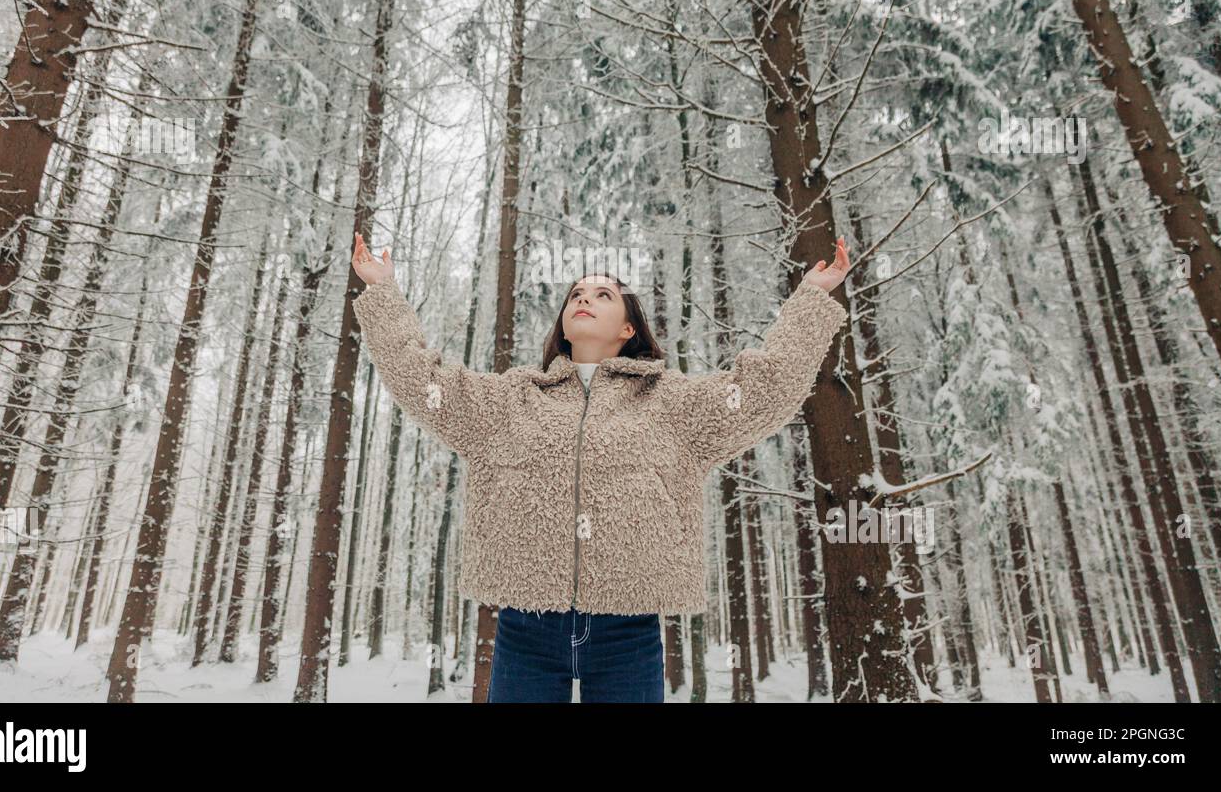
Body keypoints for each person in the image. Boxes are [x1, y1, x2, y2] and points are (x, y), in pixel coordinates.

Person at [350, 231, 850, 702]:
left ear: (629, 328)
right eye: (576, 294)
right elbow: (424, 382)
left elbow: (767, 390)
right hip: (525, 630)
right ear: (564, 321)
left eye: (604, 295)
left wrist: (812, 298)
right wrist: (382, 291)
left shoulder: (673, 403)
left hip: (628, 634)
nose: (585, 298)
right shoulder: (510, 400)